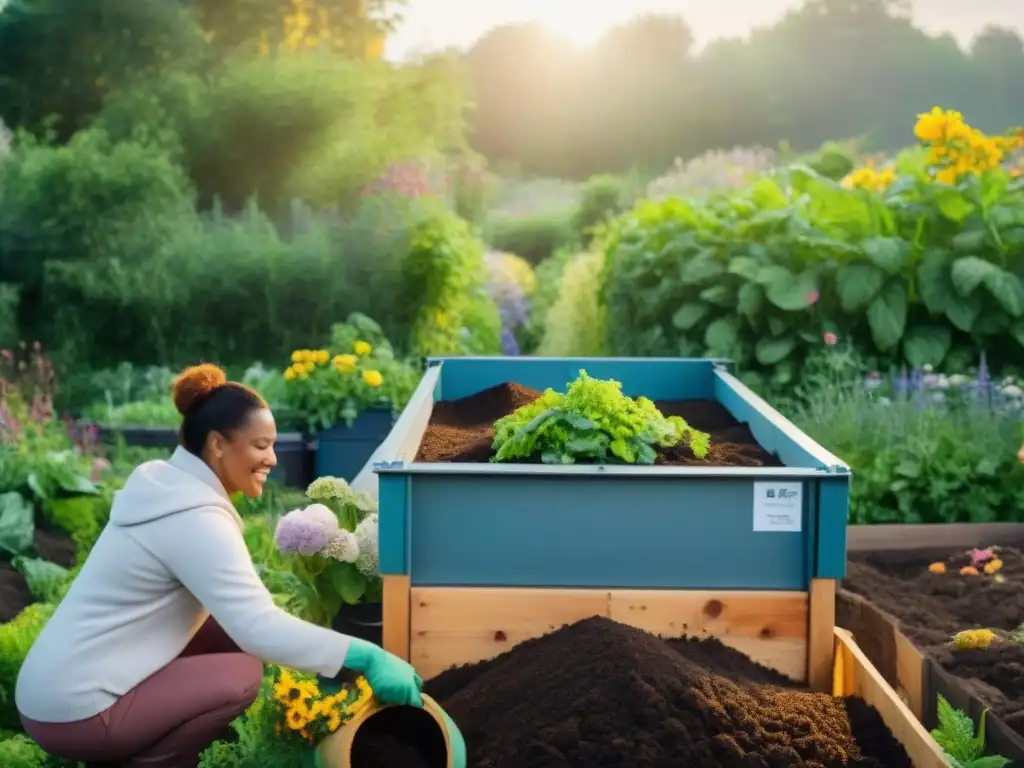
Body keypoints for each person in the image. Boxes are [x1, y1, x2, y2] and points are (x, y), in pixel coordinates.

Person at [16, 363, 422, 767]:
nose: (273, 459)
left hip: (54, 691)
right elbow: (258, 627)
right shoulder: (194, 518)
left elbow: (240, 623)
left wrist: (327, 659)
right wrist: (368, 656)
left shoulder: (169, 490)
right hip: (77, 713)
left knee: (223, 630)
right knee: (239, 675)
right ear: (218, 445)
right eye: (261, 445)